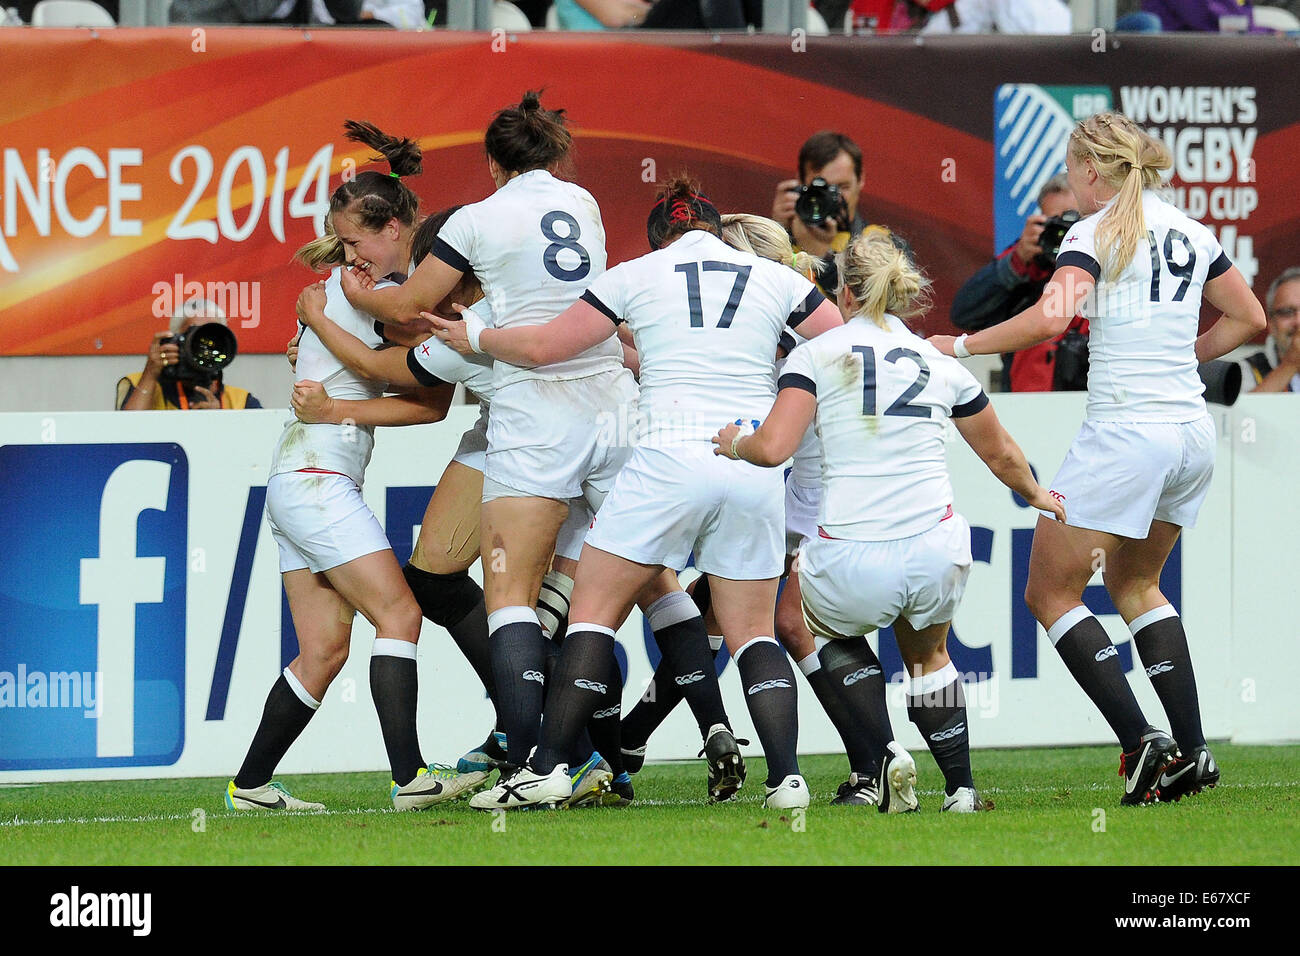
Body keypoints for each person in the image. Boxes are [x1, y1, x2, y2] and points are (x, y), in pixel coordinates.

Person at [340, 93, 737, 797]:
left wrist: (352, 297)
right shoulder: (582, 202)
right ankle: (675, 736)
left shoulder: (476, 221)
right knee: (646, 582)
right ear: (552, 155)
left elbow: (406, 310)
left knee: (510, 595)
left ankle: (532, 761)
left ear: (493, 162)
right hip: (612, 405)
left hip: (537, 411)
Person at [432, 178, 846, 811]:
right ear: (715, 229)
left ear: (660, 239)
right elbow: (834, 339)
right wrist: (776, 392)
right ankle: (786, 780)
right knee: (754, 633)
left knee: (592, 610)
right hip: (749, 459)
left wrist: (479, 340)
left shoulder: (636, 273)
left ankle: (545, 768)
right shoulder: (774, 277)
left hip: (667, 458)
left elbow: (547, 347)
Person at [929, 110, 1267, 804]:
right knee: (1137, 587)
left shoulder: (1095, 230)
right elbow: (1251, 319)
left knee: (1047, 593)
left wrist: (957, 347)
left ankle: (1143, 743)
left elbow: (1052, 317)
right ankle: (1193, 752)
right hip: (1190, 434)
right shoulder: (1192, 230)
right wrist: (1184, 355)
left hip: (1126, 432)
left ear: (1090, 171)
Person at [715, 229, 1062, 812]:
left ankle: (879, 754)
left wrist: (734, 442)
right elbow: (1001, 451)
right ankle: (962, 791)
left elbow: (774, 448)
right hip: (936, 546)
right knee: (930, 656)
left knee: (807, 625)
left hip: (851, 553)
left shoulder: (813, 355)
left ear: (844, 294)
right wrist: (1037, 494)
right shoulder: (937, 359)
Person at [293, 209, 630, 806]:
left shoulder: (467, 312)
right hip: (535, 427)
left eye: (354, 241)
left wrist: (321, 325)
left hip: (534, 433)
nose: (350, 256)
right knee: (445, 582)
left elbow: (409, 376)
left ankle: (561, 752)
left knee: (525, 606)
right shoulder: (457, 292)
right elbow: (406, 340)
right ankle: (551, 741)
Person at [226, 121, 464, 813]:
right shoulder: (382, 299)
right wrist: (342, 409)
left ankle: (250, 787)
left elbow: (330, 369)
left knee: (324, 651)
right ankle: (411, 778)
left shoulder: (341, 293)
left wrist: (335, 389)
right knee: (401, 614)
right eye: (347, 244)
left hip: (291, 483)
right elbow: (428, 408)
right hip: (320, 480)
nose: (349, 254)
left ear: (392, 225)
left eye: (355, 239)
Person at [951, 174, 1086, 392]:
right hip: (1024, 407)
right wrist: (1017, 262)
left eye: (1074, 221)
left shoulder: (1108, 263)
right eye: (1056, 223)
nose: (1065, 234)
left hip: (1088, 408)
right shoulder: (1027, 260)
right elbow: (963, 313)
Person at [770, 131, 890, 295]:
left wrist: (821, 255)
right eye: (822, 188)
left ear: (860, 179)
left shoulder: (879, 240)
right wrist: (775, 232)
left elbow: (871, 302)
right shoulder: (782, 241)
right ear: (800, 182)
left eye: (842, 187)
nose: (832, 198)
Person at [117, 299, 262, 410]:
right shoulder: (139, 384)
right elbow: (126, 438)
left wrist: (221, 422)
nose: (205, 347)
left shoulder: (241, 402)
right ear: (175, 341)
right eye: (195, 336)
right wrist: (150, 373)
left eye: (213, 337)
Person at [1239, 266, 1300, 392]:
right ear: (1271, 323)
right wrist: (1291, 364)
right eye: (1287, 312)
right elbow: (1242, 411)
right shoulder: (1248, 369)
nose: (1298, 321)